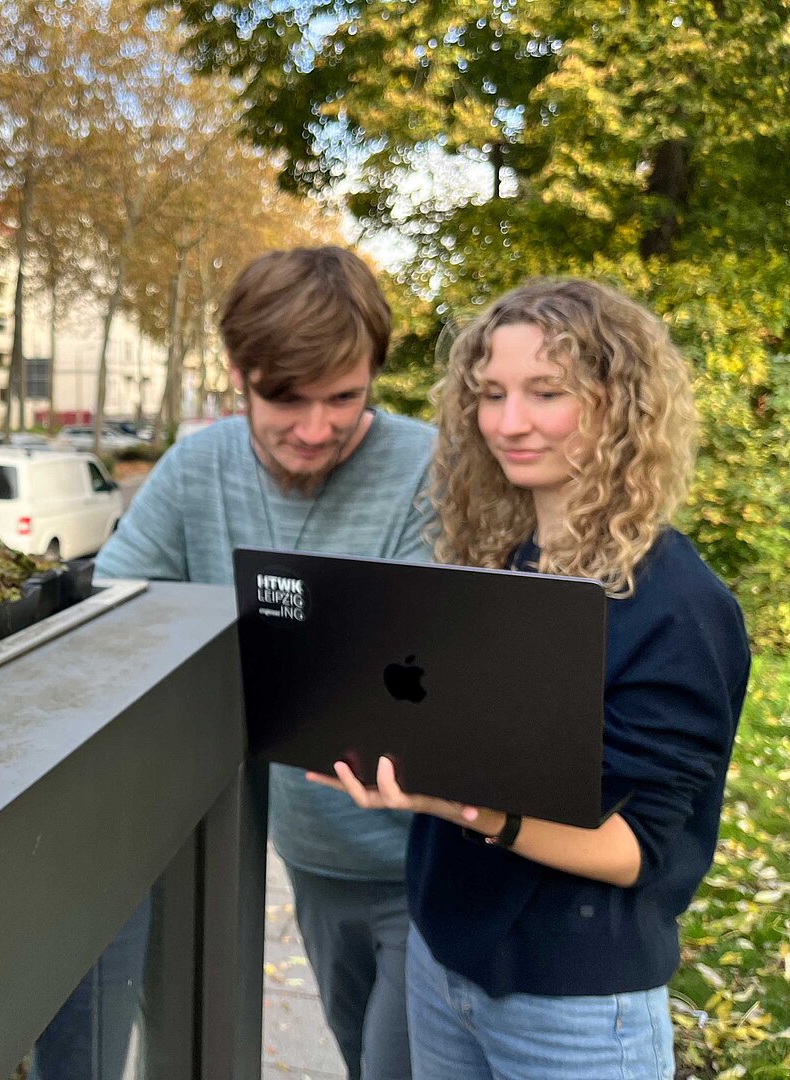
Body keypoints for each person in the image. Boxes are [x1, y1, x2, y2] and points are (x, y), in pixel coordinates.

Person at [312, 278, 752, 1079]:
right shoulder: (497, 567)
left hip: (575, 1000)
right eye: (490, 394)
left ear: (620, 404)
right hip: (443, 962)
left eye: (545, 393)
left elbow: (632, 849)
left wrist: (450, 802)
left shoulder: (679, 604)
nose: (507, 423)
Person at [32, 246, 434, 1080]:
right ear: (237, 373)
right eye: (285, 398)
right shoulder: (197, 468)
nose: (316, 430)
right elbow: (122, 619)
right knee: (363, 1055)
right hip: (314, 853)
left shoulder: (432, 468)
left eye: (345, 399)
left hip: (434, 857)